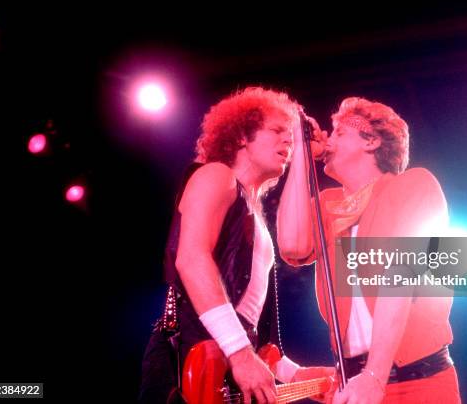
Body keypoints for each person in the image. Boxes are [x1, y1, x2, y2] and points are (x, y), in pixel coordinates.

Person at [139, 87, 333, 404]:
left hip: (223, 364)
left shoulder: (255, 216)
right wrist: (241, 355)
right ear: (242, 135)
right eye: (276, 131)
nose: (288, 141)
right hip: (188, 366)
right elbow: (191, 260)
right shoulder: (216, 176)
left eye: (290, 136)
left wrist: (293, 374)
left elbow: (247, 323)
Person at [277, 97, 460, 403]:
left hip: (420, 383)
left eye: (339, 132)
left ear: (372, 141)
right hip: (356, 383)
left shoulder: (413, 186)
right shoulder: (326, 205)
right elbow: (293, 245)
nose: (327, 139)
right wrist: (299, 156)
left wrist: (374, 376)